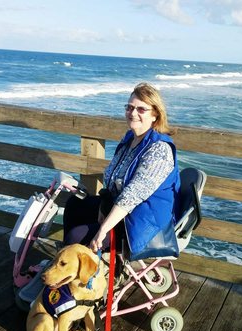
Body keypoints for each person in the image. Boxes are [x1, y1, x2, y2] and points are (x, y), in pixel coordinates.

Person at [63, 82, 180, 262]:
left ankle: (75, 270)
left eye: (141, 109)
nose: (133, 113)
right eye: (130, 107)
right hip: (122, 208)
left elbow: (132, 196)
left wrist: (102, 231)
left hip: (142, 221)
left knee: (76, 236)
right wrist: (103, 205)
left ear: (155, 114)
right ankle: (72, 264)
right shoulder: (129, 139)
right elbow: (112, 179)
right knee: (75, 204)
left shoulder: (159, 150)